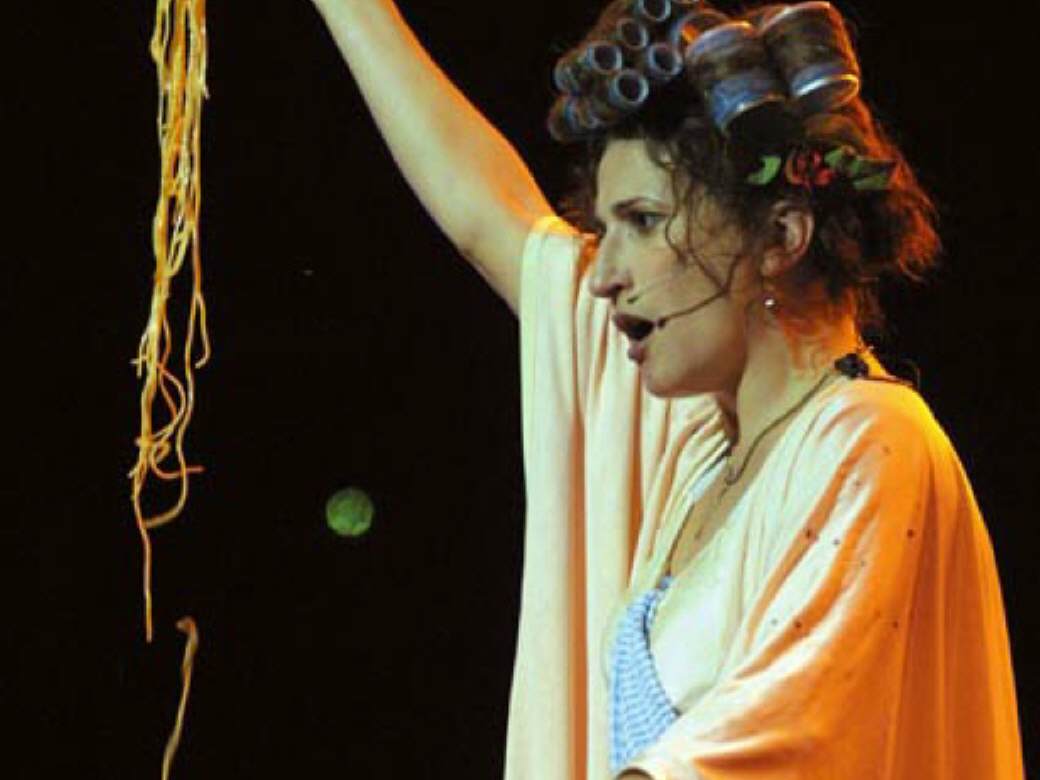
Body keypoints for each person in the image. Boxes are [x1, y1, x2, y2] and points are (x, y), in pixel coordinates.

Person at [309, 0, 1025, 777]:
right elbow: (492, 221)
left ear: (780, 236)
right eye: (606, 227)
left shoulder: (868, 442)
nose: (606, 274)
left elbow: (779, 747)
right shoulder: (700, 447)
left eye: (643, 222)